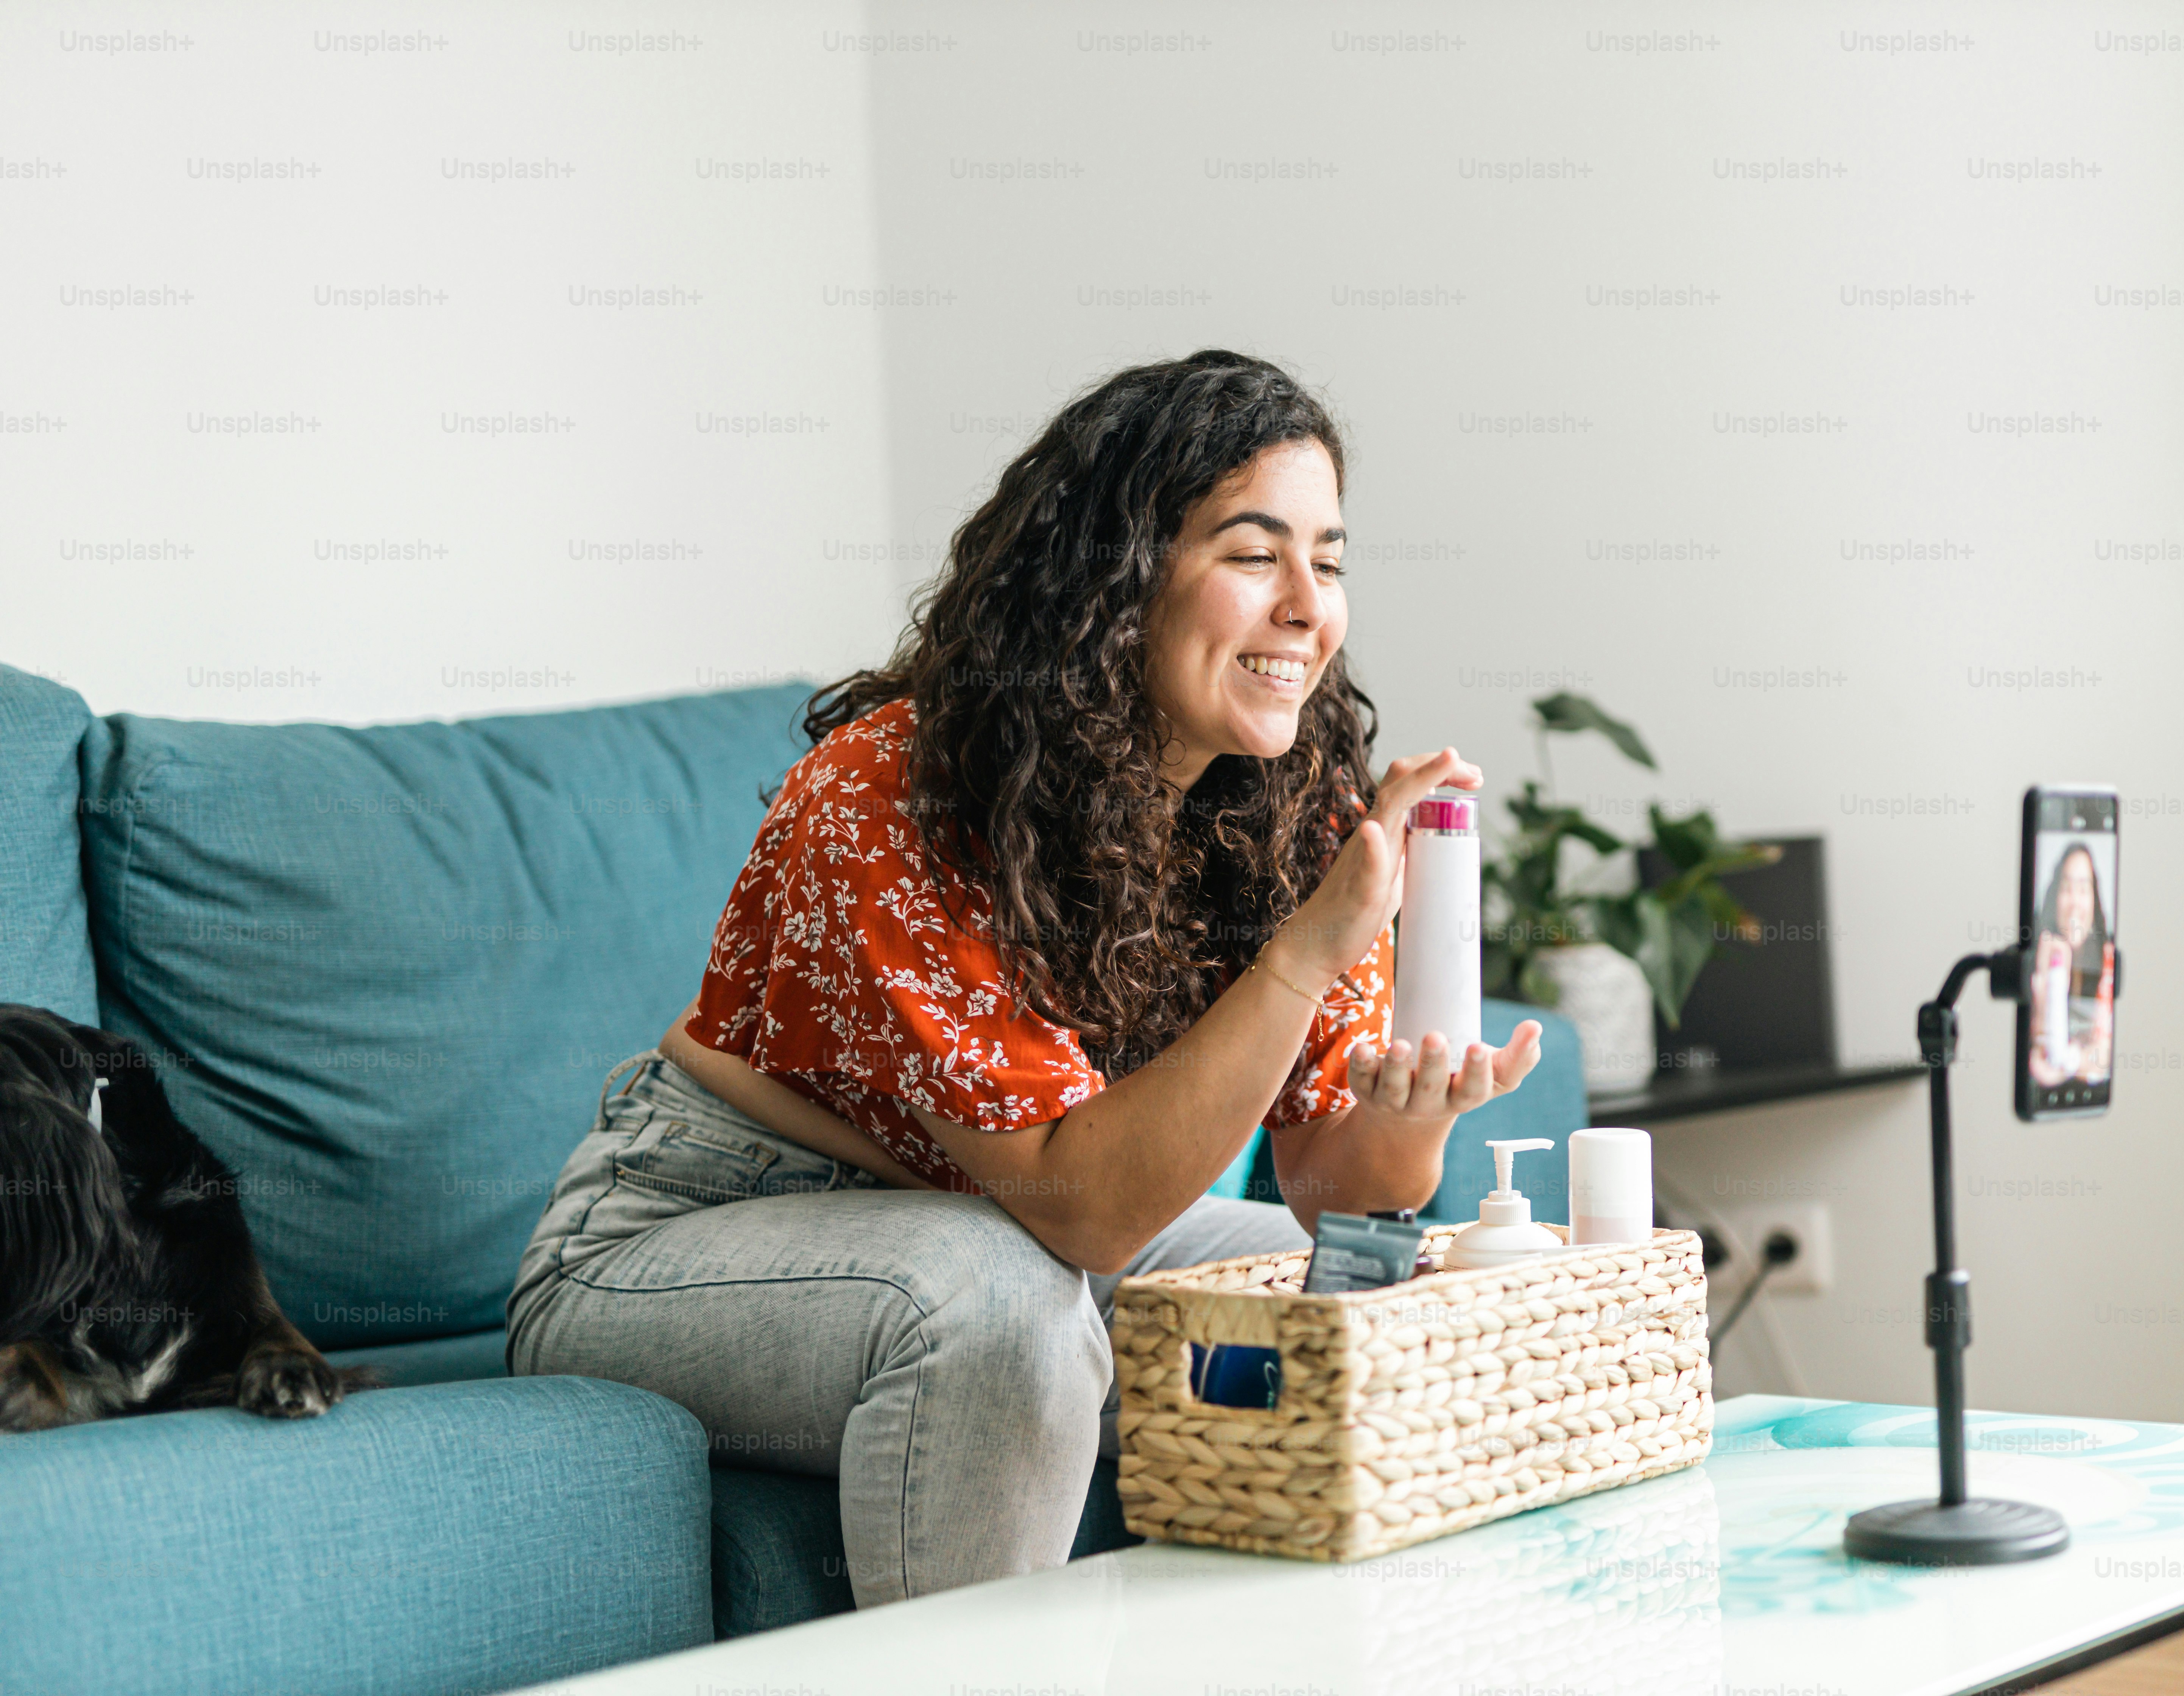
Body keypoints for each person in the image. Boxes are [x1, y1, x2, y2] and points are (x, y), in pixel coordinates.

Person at [507, 350, 1544, 1605]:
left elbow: (1343, 1201)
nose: (1307, 608)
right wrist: (1306, 953)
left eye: (1327, 561)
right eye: (1252, 553)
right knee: (998, 1305)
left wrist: (1410, 1112)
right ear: (1116, 577)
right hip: (687, 1234)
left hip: (1003, 1218)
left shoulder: (1292, 809)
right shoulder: (894, 791)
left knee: (1340, 1312)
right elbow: (1085, 1216)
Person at [2027, 841, 2113, 1086]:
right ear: (2055, 897)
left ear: (2094, 900)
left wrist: (2070, 1062)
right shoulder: (2039, 956)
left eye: (2084, 890)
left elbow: (2105, 1055)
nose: (2076, 902)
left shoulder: (2106, 960)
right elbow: (2036, 1055)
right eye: (2067, 888)